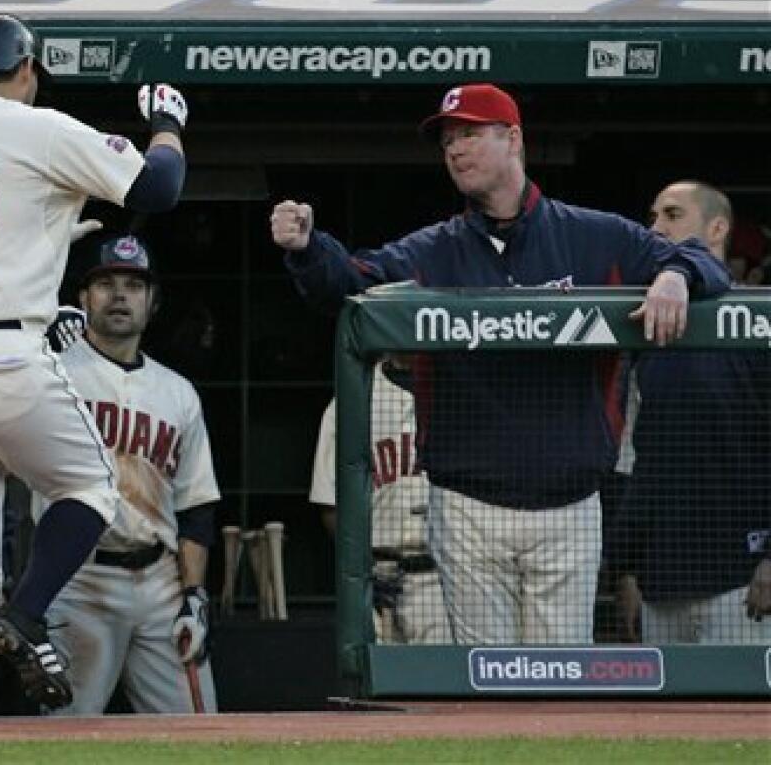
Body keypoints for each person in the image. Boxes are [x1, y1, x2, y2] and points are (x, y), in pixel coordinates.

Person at [270, 84, 731, 646]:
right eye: (447, 141)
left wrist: (675, 275)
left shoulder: (592, 234)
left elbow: (701, 259)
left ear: (512, 139)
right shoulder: (434, 249)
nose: (455, 150)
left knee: (561, 689)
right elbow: (351, 284)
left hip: (569, 505)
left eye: (469, 134)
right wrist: (307, 248)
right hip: (469, 507)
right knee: (482, 689)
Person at [0, 14, 189, 713]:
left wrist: (38, 251)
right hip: (1, 351)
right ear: (27, 71)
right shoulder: (35, 124)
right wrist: (168, 125)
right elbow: (158, 188)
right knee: (90, 490)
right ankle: (25, 614)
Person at [34, 235, 221, 715]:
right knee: (64, 738)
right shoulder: (51, 376)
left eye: (134, 286)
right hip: (77, 578)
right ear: (82, 299)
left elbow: (196, 505)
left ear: (152, 303)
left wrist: (194, 595)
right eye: (106, 284)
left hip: (160, 582)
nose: (120, 295)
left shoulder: (178, 394)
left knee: (198, 734)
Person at [613, 180, 771, 644]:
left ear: (717, 227)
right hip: (661, 580)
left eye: (673, 215)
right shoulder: (644, 332)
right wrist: (626, 568)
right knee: (664, 718)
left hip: (744, 580)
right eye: (654, 216)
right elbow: (633, 464)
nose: (656, 228)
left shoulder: (760, 323)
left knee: (744, 717)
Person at [308, 357, 453, 645]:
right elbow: (330, 502)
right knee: (379, 685)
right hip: (378, 576)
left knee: (441, 685)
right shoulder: (353, 401)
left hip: (441, 578)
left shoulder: (455, 392)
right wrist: (360, 571)